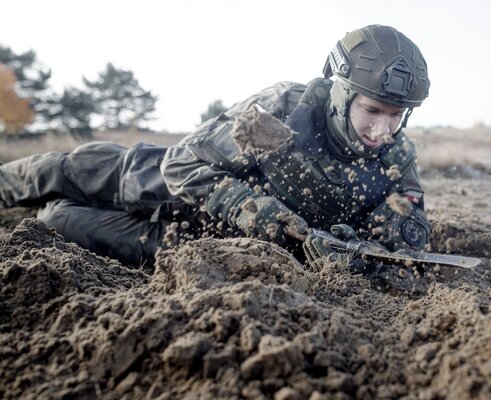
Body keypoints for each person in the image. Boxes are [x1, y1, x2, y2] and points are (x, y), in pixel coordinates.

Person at [0, 25, 431, 268]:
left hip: (197, 240)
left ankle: (41, 217)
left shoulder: (394, 166)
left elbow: (404, 252)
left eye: (398, 115)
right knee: (62, 172)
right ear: (342, 95)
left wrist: (350, 253)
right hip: (155, 181)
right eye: (373, 110)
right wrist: (255, 210)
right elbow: (184, 166)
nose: (383, 129)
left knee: (61, 222)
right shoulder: (285, 111)